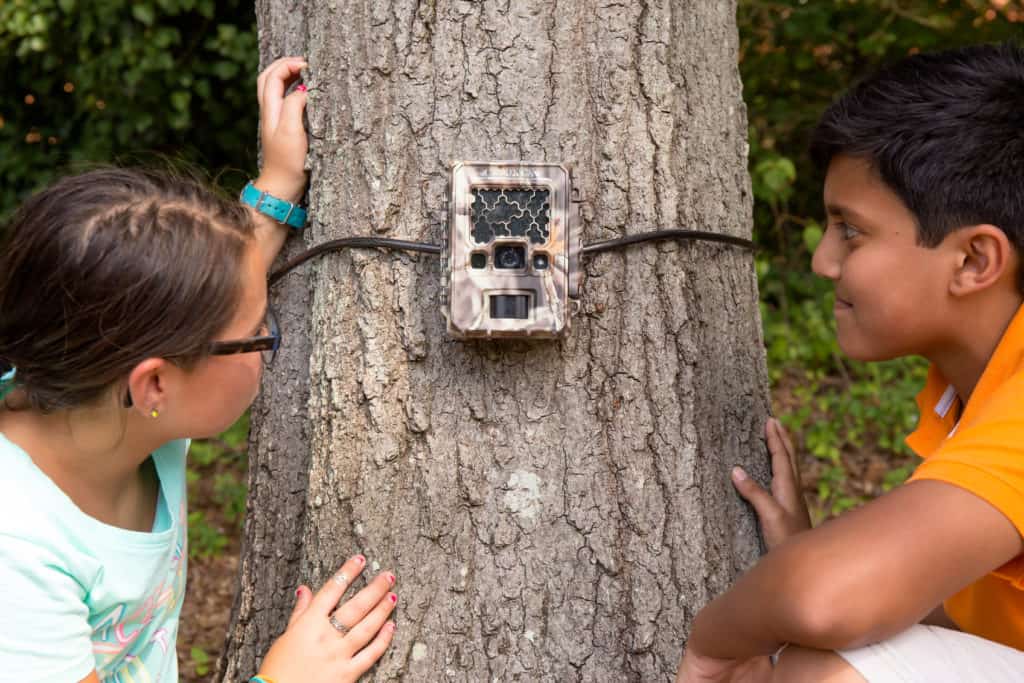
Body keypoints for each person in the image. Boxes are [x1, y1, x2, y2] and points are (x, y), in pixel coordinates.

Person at [0, 57, 397, 683]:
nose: (268, 341)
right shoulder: (17, 561)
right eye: (256, 337)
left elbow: (226, 292)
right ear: (155, 383)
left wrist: (277, 182)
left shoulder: (97, 387)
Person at [676, 43, 1024, 682]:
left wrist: (711, 645)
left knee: (828, 671)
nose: (822, 261)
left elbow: (824, 599)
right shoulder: (965, 391)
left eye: (851, 230)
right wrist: (818, 559)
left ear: (975, 261)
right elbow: (973, 629)